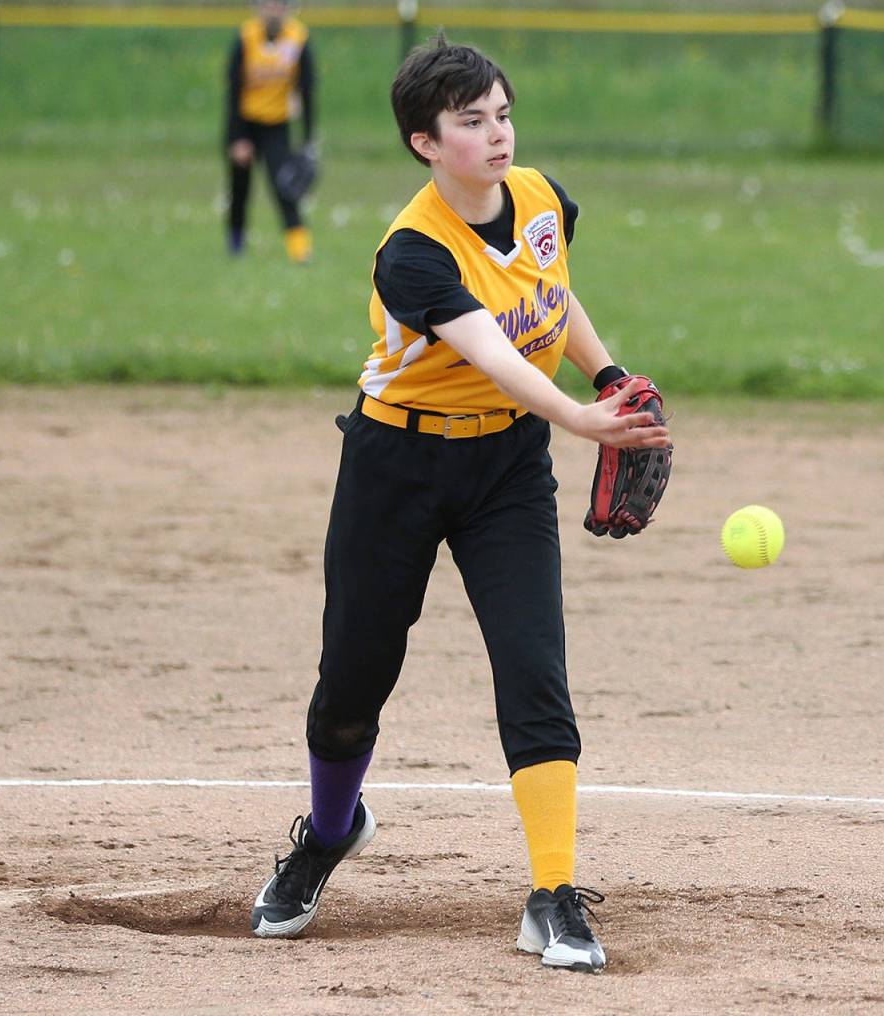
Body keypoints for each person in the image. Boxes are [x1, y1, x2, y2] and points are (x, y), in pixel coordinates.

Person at [250, 36, 671, 974]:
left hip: (506, 474)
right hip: (395, 464)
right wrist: (578, 415)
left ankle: (553, 894)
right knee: (353, 683)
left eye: (503, 114)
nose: (496, 135)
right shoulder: (411, 252)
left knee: (534, 671)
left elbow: (549, 298)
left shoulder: (541, 199)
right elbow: (492, 352)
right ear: (424, 144)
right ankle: (328, 833)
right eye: (471, 122)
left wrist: (603, 371)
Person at [224, 0, 315, 263]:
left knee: (285, 185)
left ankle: (300, 250)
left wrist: (308, 139)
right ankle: (235, 245)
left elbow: (307, 91)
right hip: (246, 123)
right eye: (267, 5)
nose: (273, 10)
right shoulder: (245, 37)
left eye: (279, 5)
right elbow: (233, 91)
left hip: (277, 126)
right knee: (239, 187)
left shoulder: (298, 38)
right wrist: (236, 138)